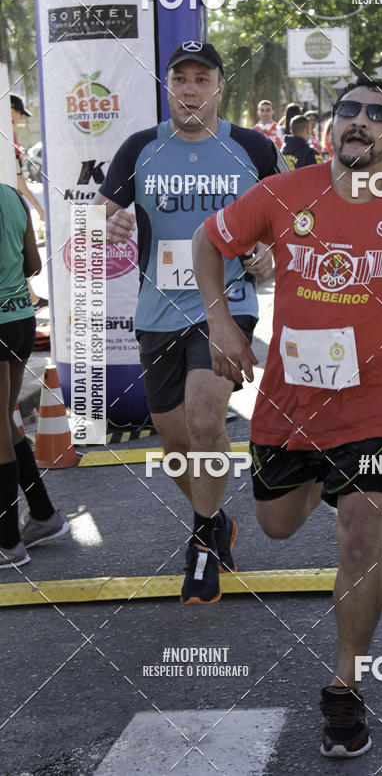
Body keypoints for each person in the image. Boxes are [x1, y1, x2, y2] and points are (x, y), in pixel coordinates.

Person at [192, 75, 382, 757]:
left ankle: (346, 686)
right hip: (288, 406)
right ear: (331, 124)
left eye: (378, 114)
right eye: (349, 111)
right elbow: (211, 242)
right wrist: (221, 321)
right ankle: (288, 499)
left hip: (372, 408)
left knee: (361, 530)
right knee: (276, 526)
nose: (360, 121)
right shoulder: (283, 193)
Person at [94, 40, 281, 604]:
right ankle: (216, 519)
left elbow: (290, 219)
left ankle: (201, 548)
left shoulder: (252, 148)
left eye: (203, 79)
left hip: (227, 306)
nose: (192, 89)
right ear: (169, 86)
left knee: (205, 419)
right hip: (156, 312)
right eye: (182, 79)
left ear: (220, 86)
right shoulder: (140, 148)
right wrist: (109, 226)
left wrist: (271, 250)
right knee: (177, 444)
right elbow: (103, 211)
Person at [0, 183, 70, 567]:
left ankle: (8, 541)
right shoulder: (11, 195)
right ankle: (43, 515)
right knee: (7, 422)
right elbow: (33, 265)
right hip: (21, 321)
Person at [10, 94, 47, 311]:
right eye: (19, 115)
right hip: (9, 204)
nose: (20, 120)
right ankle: (29, 299)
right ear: (12, 111)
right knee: (17, 252)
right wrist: (38, 207)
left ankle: (30, 298)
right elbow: (17, 179)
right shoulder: (8, 135)